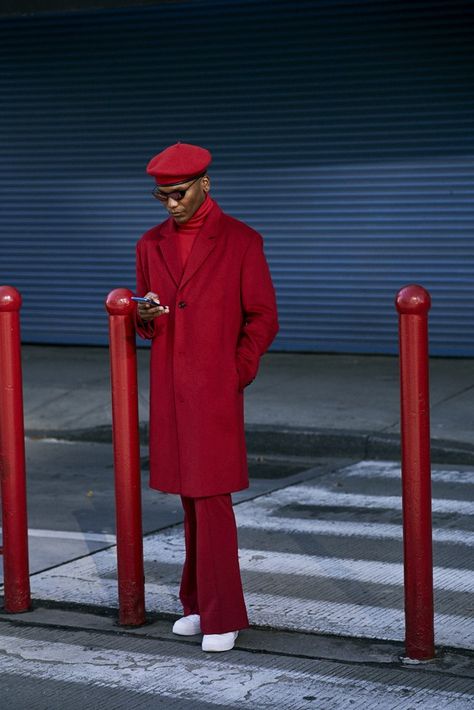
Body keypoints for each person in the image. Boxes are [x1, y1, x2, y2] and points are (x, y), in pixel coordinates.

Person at [134, 142, 279, 652]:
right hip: (172, 392)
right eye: (162, 196)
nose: (171, 204)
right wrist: (144, 317)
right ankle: (196, 603)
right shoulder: (150, 244)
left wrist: (234, 372)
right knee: (191, 500)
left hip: (214, 391)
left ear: (205, 185)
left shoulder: (241, 241)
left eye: (179, 193)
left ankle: (225, 614)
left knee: (212, 499)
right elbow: (145, 319)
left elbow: (263, 317)